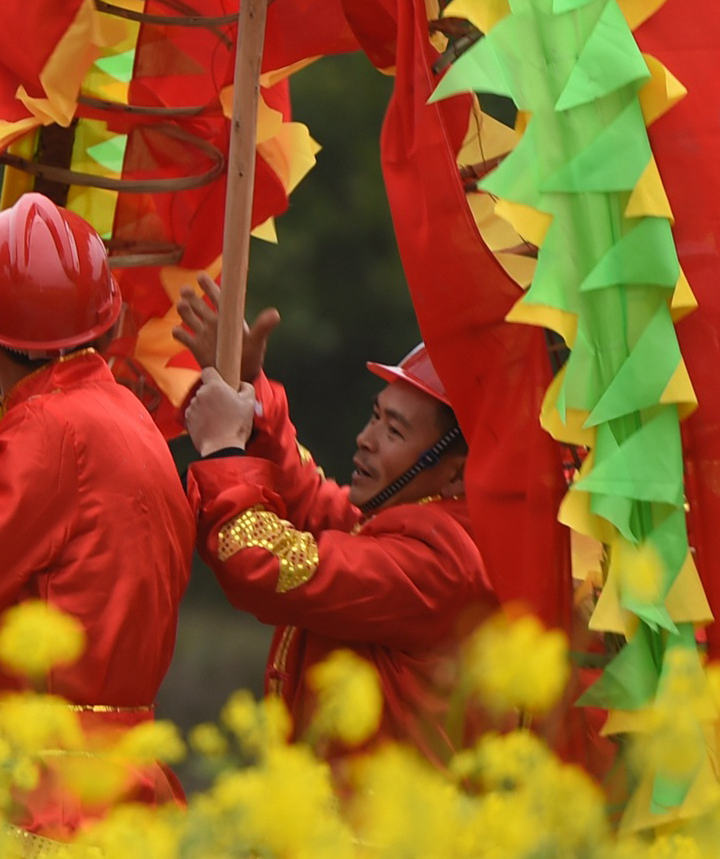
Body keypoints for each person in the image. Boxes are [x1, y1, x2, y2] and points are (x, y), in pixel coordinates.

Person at [0, 193, 190, 828]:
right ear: (107, 324)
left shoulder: (48, 427)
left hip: (40, 790)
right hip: (122, 778)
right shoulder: (126, 416)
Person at [175, 272, 494, 762]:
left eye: (393, 430)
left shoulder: (443, 561)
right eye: (375, 416)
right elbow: (310, 499)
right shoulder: (406, 519)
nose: (366, 438)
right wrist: (248, 389)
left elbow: (270, 565)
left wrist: (223, 449)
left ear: (456, 477)